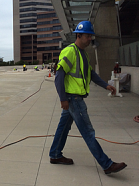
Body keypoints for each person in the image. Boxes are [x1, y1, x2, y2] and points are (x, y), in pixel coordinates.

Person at [49, 21, 127, 174]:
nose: (90, 39)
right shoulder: (69, 51)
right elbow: (59, 76)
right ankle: (107, 164)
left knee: (63, 127)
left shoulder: (83, 54)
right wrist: (63, 98)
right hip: (73, 99)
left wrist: (106, 85)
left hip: (75, 98)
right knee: (88, 132)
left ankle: (55, 154)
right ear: (79, 35)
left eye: (91, 36)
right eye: (87, 36)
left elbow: (91, 74)